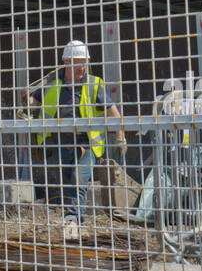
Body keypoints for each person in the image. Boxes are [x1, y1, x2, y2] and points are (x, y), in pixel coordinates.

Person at [24, 38, 126, 221]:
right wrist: (27, 102)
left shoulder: (94, 84)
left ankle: (73, 221)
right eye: (78, 63)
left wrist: (120, 135)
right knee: (68, 184)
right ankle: (75, 220)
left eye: (84, 63)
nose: (83, 67)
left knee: (79, 181)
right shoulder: (53, 84)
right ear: (66, 62)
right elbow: (35, 99)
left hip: (86, 145)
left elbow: (112, 108)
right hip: (60, 144)